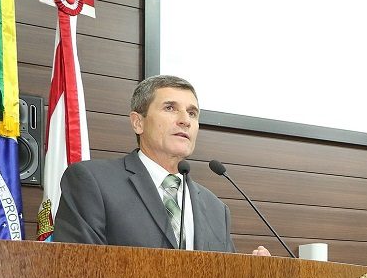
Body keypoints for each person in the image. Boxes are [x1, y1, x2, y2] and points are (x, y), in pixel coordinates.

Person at [53, 74, 270, 255]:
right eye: (170, 108)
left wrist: (252, 275)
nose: (185, 120)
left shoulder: (216, 209)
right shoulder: (93, 182)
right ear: (138, 122)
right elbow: (79, 271)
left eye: (192, 113)